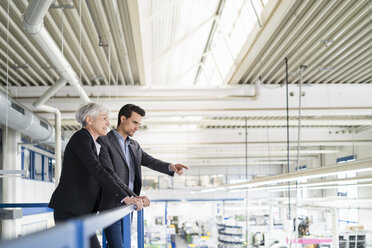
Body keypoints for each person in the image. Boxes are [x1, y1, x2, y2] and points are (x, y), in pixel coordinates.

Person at [48, 102, 145, 248]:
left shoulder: (93, 142)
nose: (109, 123)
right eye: (104, 118)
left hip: (81, 211)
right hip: (70, 210)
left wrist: (130, 195)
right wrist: (126, 197)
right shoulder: (81, 138)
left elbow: (107, 174)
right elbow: (98, 170)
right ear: (89, 119)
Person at [97, 104, 188, 248]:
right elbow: (109, 173)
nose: (137, 127)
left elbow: (149, 160)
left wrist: (170, 166)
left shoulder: (134, 145)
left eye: (139, 124)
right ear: (123, 118)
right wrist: (130, 196)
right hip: (112, 204)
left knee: (123, 242)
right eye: (134, 122)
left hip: (131, 205)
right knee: (117, 245)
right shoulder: (104, 141)